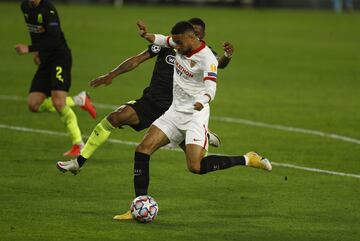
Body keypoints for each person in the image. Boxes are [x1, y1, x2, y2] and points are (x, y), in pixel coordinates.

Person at [111, 20, 272, 220]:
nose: (175, 47)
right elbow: (162, 39)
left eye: (179, 43)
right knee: (142, 149)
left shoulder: (207, 59)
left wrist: (202, 101)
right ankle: (138, 204)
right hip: (174, 112)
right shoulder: (178, 43)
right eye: (175, 42)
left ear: (192, 38)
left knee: (195, 167)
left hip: (196, 116)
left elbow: (211, 88)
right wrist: (146, 35)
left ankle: (248, 159)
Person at [56, 18, 232, 174]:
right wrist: (112, 74)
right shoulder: (170, 44)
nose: (193, 38)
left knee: (196, 165)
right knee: (115, 118)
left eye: (198, 35)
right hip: (153, 101)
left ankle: (208, 139)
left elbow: (218, 66)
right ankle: (78, 163)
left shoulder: (204, 54)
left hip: (178, 110)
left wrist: (226, 56)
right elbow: (137, 59)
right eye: (191, 33)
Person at [15, 0, 97, 157]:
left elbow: (54, 39)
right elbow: (35, 32)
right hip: (45, 59)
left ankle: (78, 144)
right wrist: (37, 52)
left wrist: (30, 48)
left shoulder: (48, 9)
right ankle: (79, 100)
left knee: (58, 102)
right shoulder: (25, 7)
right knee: (33, 104)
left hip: (59, 57)